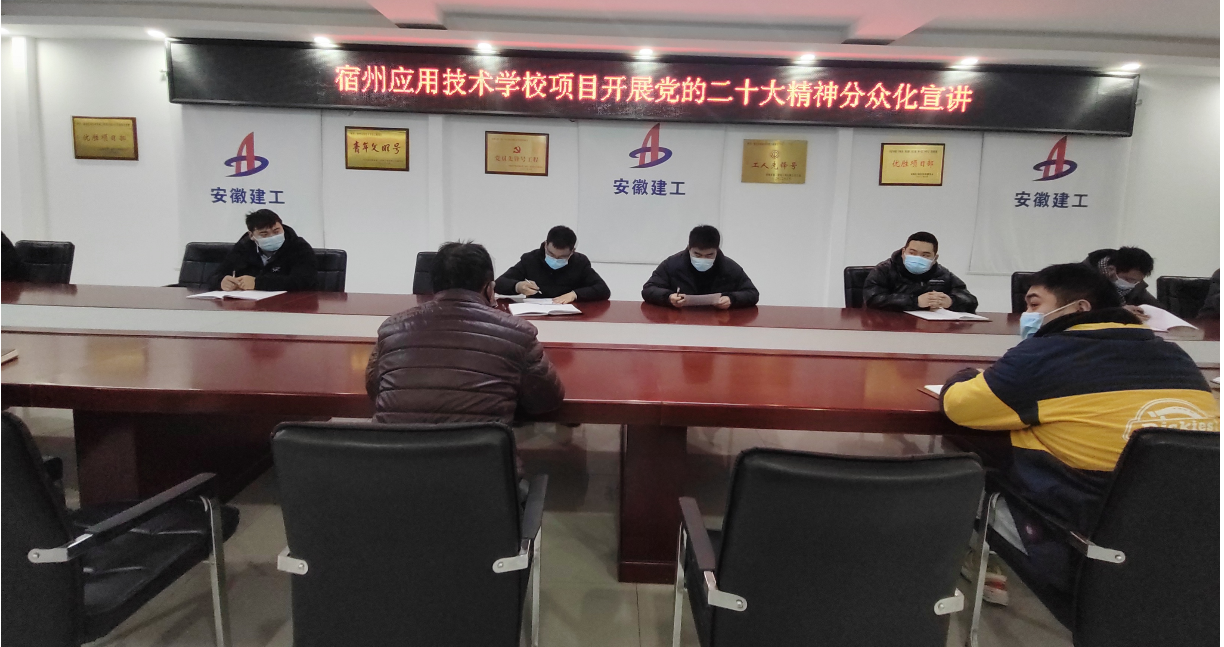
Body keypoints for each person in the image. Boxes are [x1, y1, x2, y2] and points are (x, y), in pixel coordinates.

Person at [941, 263, 1218, 605]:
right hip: (1194, 553)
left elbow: (960, 406)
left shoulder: (1043, 354)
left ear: (1080, 308)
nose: (1028, 315)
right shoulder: (1176, 357)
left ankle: (975, 560)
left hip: (1084, 551)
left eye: (1034, 304)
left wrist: (964, 375)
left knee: (974, 456)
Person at [366, 241, 564, 426]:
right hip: (479, 451)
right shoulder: (519, 334)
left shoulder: (391, 329)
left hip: (394, 449)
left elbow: (375, 389)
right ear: (489, 289)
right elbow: (546, 400)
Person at [641, 225, 759, 309]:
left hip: (718, 324)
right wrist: (669, 297)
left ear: (717, 250)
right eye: (697, 254)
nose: (703, 259)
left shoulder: (729, 267)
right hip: (680, 322)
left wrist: (732, 299)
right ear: (689, 248)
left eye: (709, 255)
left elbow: (752, 293)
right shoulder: (672, 264)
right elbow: (648, 289)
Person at [862, 231, 978, 312]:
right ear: (903, 252)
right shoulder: (884, 270)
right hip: (889, 327)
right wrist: (915, 301)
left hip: (929, 328)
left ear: (935, 258)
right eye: (912, 253)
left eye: (925, 255)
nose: (917, 258)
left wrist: (951, 301)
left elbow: (970, 300)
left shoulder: (942, 274)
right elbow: (873, 300)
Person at [494, 225, 610, 304]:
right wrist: (517, 286)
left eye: (562, 257)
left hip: (569, 314)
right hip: (535, 313)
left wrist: (575, 294)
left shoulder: (580, 262)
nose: (555, 259)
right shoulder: (531, 259)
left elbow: (603, 289)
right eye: (551, 254)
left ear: (572, 251)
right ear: (545, 244)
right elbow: (498, 284)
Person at [208, 209, 318, 292]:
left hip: (291, 305)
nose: (272, 236)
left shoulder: (299, 247)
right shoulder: (244, 246)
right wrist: (221, 281)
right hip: (250, 305)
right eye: (264, 234)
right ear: (251, 235)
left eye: (276, 231)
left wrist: (257, 283)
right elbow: (214, 276)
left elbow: (303, 281)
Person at [1083, 246, 1159, 308]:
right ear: (1111, 269)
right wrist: (1121, 311)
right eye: (1127, 279)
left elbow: (1157, 307)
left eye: (1136, 281)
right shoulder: (1082, 280)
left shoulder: (1135, 286)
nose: (1131, 284)